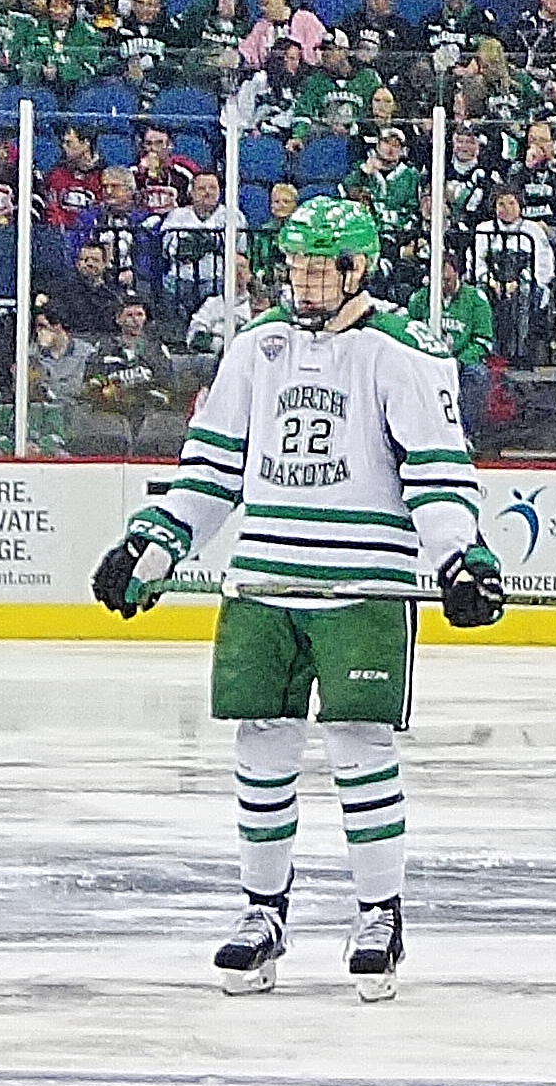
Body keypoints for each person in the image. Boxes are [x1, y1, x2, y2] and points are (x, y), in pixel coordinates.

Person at [91, 197, 500, 1001]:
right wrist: (155, 542)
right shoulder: (257, 347)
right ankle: (261, 912)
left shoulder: (402, 351)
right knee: (262, 746)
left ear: (359, 268)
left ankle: (380, 913)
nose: (306, 283)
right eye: (299, 267)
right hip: (265, 581)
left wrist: (460, 555)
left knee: (359, 747)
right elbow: (210, 469)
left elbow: (438, 473)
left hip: (362, 585)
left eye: (322, 269)